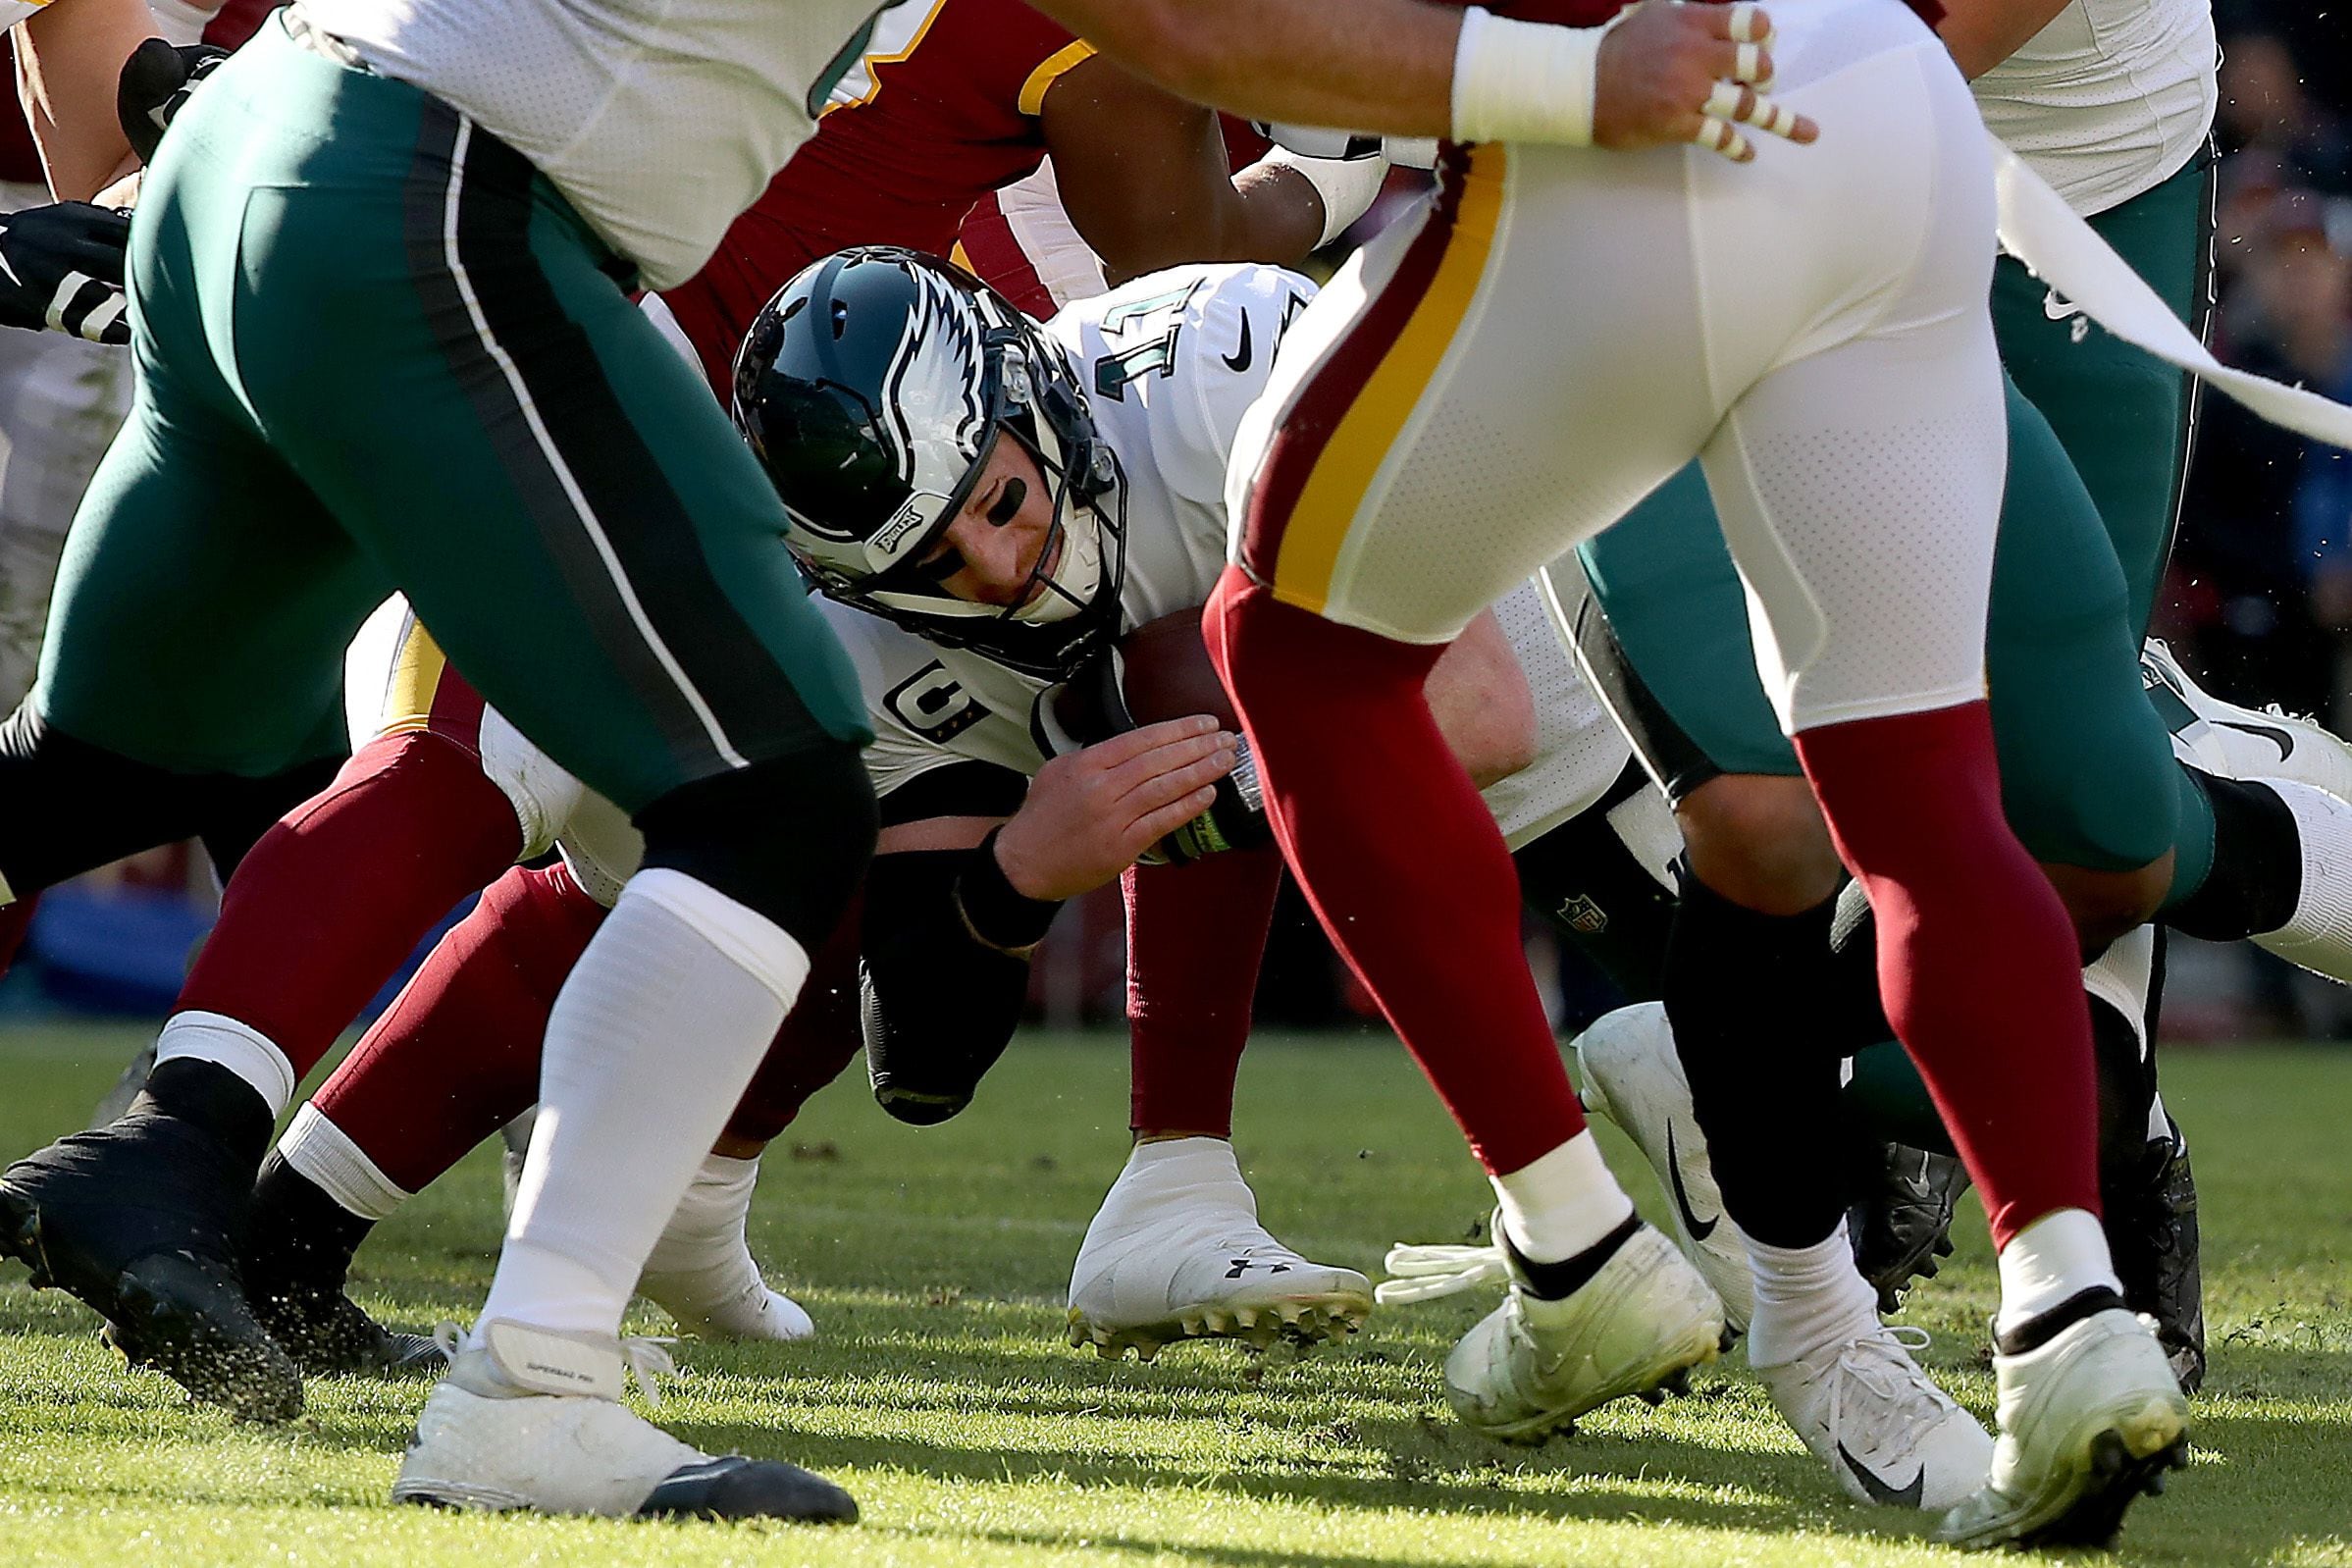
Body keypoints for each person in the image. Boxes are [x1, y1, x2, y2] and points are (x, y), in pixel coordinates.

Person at [0, 0, 1805, 1523]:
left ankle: (205, 1156)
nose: (1002, 570)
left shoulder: (1149, 399)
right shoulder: (1028, 450)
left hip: (268, 155)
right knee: (758, 794)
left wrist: (166, 135)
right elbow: (1199, 45)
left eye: (1004, 516)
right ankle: (519, 1371)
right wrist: (1547, 95)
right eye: (969, 541)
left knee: (85, 773)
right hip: (461, 221)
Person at [1202, 0, 2189, 1547]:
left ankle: (1575, 1248)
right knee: (1906, 795)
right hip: (1876, 102)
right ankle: (2063, 1312)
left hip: (1636, 134)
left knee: (1291, 646)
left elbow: (1197, 58)